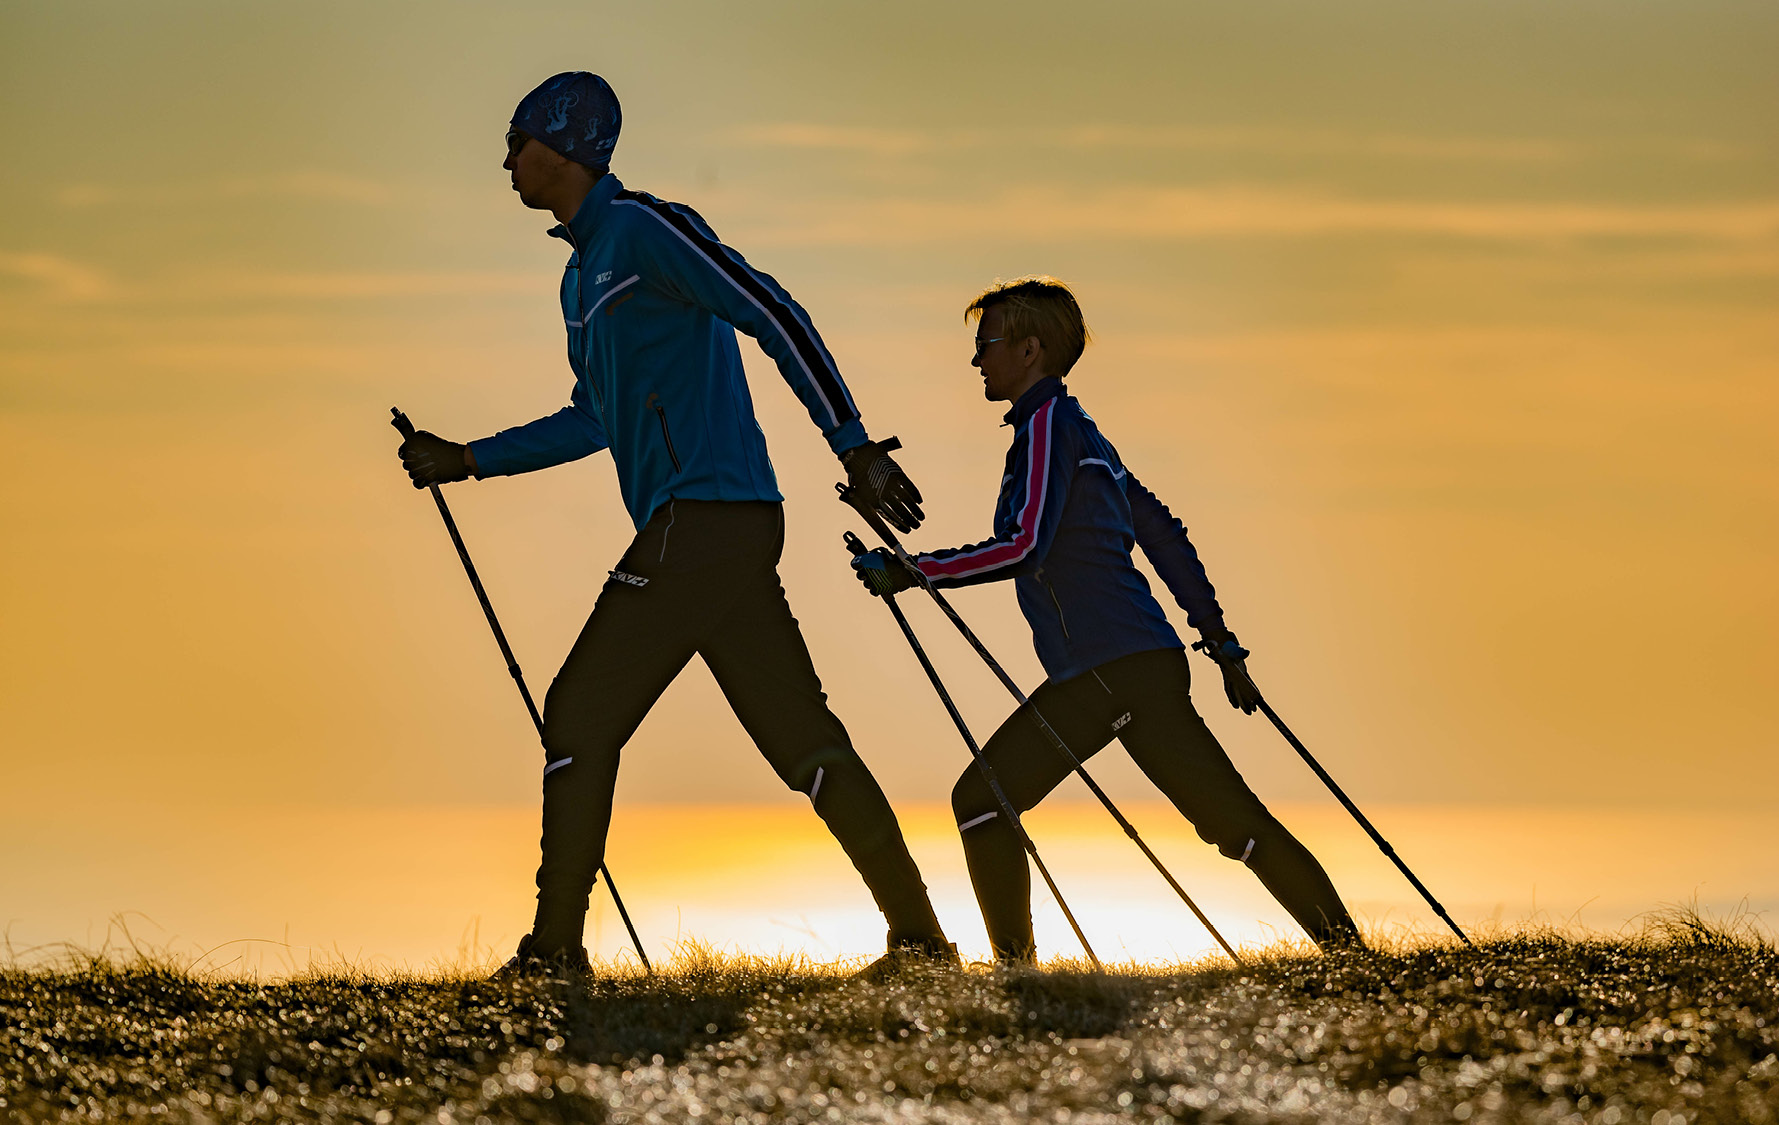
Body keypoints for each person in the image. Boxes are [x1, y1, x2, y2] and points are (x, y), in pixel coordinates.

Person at [398, 72, 951, 973]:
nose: (504, 159)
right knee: (802, 740)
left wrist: (852, 445)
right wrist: (466, 458)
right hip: (704, 527)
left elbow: (772, 311)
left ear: (565, 145)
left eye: (516, 141)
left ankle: (554, 951)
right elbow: (593, 415)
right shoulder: (581, 275)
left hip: (707, 518)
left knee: (580, 710)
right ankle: (922, 940)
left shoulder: (643, 228)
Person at [850, 277, 1360, 962]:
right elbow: (1163, 533)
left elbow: (1023, 545)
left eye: (986, 344)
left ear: (1029, 349)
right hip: (1140, 662)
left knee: (981, 801)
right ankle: (1352, 959)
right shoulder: (1086, 435)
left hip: (1105, 670)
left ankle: (1019, 977)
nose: (976, 359)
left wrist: (911, 571)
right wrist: (1218, 642)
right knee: (1234, 826)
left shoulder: (1045, 430)